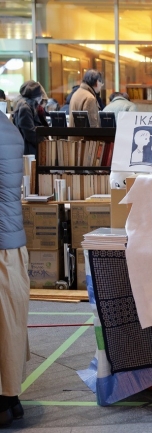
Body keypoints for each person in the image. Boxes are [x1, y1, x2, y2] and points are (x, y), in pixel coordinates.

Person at [0, 112, 30, 429]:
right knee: (9, 329)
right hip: (11, 245)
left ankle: (4, 404)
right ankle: (12, 400)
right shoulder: (8, 127)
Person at [11, 80, 45, 156]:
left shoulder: (22, 103)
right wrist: (44, 142)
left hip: (26, 148)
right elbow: (29, 132)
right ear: (37, 96)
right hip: (29, 150)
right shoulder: (26, 108)